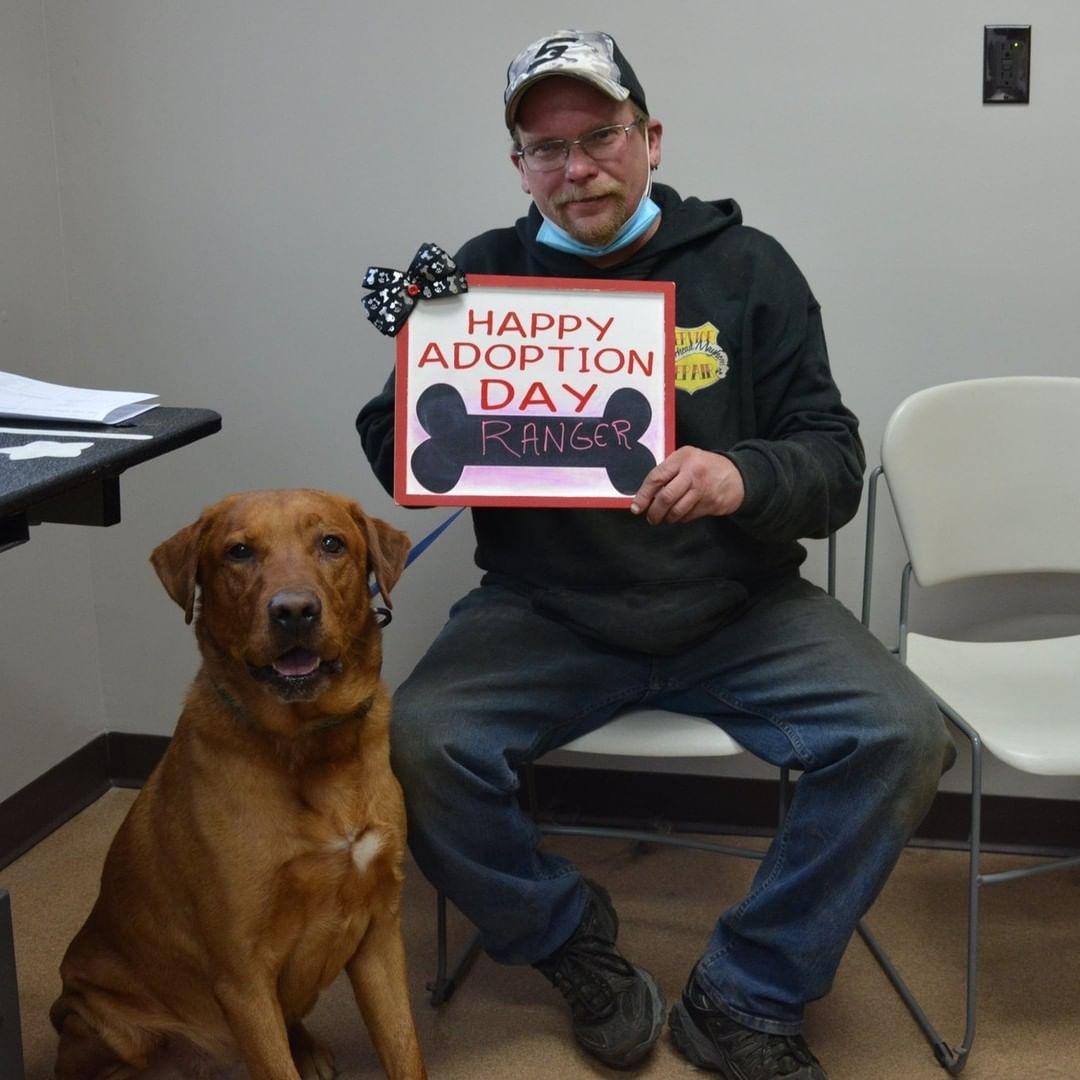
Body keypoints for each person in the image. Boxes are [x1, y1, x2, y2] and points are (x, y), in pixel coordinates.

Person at [357, 28, 953, 1080]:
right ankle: (565, 939)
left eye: (600, 136)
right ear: (518, 167)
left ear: (651, 138)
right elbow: (392, 449)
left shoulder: (748, 266)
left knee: (902, 735)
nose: (576, 167)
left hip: (742, 602)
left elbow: (834, 460)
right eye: (546, 149)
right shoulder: (478, 277)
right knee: (418, 743)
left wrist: (740, 478)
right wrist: (426, 376)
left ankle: (746, 991)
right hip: (546, 608)